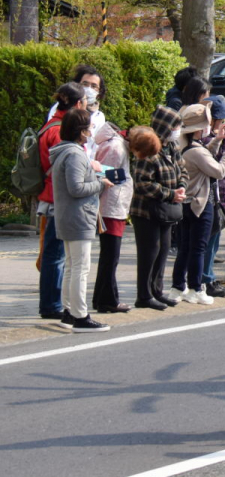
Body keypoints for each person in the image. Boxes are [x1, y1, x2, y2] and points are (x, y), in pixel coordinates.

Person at [50, 109, 116, 333]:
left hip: (68, 215)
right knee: (80, 268)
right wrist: (101, 184)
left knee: (72, 266)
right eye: (88, 128)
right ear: (81, 131)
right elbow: (76, 188)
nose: (91, 131)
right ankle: (80, 316)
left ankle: (69, 312)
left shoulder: (63, 151)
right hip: (79, 216)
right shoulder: (76, 154)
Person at [170, 104, 225, 305]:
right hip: (201, 203)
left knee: (185, 247)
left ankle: (178, 286)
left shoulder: (187, 146)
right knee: (199, 248)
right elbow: (218, 171)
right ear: (199, 128)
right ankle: (196, 288)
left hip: (188, 203)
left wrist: (217, 141)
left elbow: (204, 155)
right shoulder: (196, 151)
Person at [35, 82, 91, 322]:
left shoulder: (50, 124)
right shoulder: (61, 131)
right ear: (78, 104)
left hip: (50, 196)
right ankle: (53, 304)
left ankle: (55, 303)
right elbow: (69, 174)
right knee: (58, 257)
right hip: (58, 199)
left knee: (56, 255)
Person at [129, 116, 178, 310]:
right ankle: (144, 295)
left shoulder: (172, 147)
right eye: (175, 126)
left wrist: (180, 187)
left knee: (163, 249)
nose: (178, 130)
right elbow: (142, 183)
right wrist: (170, 194)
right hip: (146, 210)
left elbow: (181, 169)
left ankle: (157, 290)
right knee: (149, 251)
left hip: (165, 209)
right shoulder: (147, 148)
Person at [199, 95, 225, 298]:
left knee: (213, 240)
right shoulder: (204, 140)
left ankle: (208, 277)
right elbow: (218, 167)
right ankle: (205, 278)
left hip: (220, 195)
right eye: (222, 120)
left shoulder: (214, 138)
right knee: (208, 241)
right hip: (211, 196)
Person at [92, 121, 134, 314]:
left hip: (114, 204)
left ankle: (102, 298)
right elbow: (102, 174)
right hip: (111, 205)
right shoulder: (116, 148)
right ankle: (108, 299)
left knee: (109, 256)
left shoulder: (117, 145)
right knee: (111, 255)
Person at [45, 64, 107, 159]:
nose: (89, 89)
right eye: (85, 84)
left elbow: (95, 146)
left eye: (94, 86)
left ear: (99, 92)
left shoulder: (99, 117)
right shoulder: (60, 108)